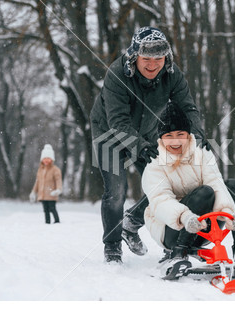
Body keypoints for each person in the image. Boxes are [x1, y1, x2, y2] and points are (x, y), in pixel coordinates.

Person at [90, 26, 210, 263]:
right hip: (108, 133)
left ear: (166, 58)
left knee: (168, 185)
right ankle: (112, 247)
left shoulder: (172, 74)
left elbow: (187, 108)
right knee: (116, 191)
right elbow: (118, 121)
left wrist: (195, 137)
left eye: (158, 58)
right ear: (135, 57)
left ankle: (131, 224)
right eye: (146, 59)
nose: (152, 65)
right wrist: (141, 147)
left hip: (146, 131)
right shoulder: (117, 74)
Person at [142, 102, 235, 279]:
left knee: (233, 186)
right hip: (172, 230)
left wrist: (229, 213)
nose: (175, 141)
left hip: (203, 227)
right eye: (169, 136)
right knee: (204, 192)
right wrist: (185, 217)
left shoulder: (202, 153)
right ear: (161, 139)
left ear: (188, 135)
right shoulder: (154, 164)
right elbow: (160, 201)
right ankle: (179, 253)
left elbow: (216, 183)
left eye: (180, 134)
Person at [30, 144, 62, 224]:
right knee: (45, 210)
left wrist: (58, 190)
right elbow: (37, 182)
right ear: (42, 159)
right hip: (43, 194)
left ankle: (57, 222)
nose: (46, 160)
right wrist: (33, 192)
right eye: (45, 158)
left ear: (52, 159)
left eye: (48, 158)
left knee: (52, 208)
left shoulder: (55, 170)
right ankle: (47, 223)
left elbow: (58, 181)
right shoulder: (40, 170)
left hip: (51, 194)